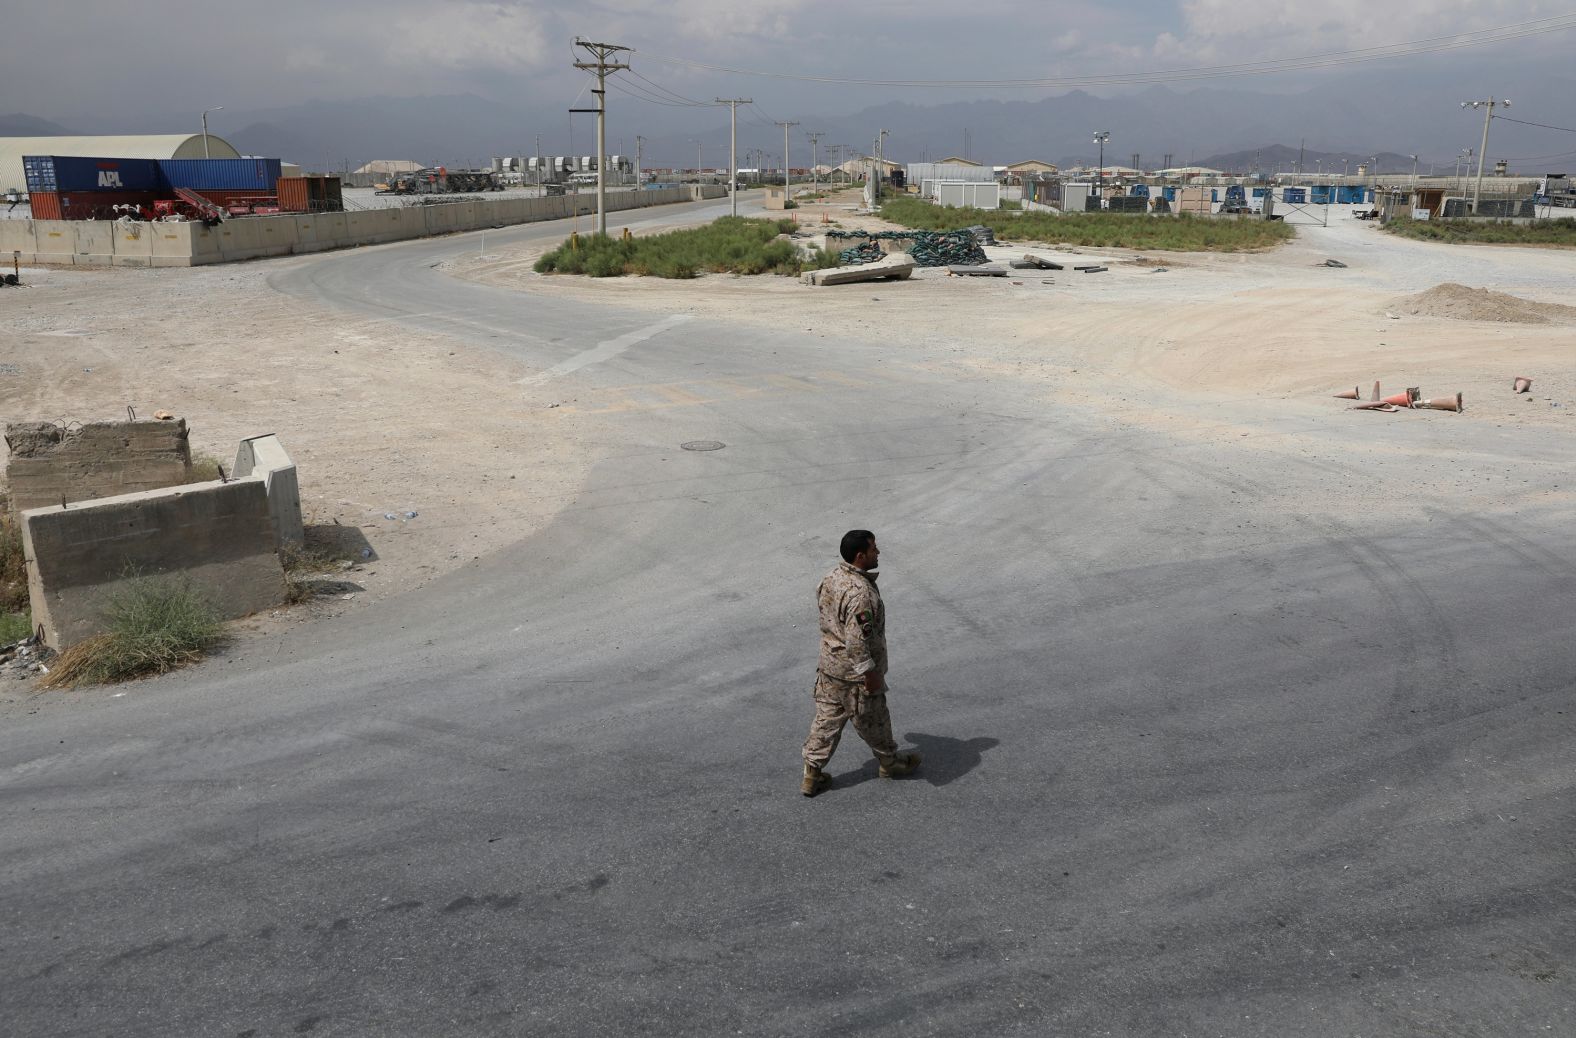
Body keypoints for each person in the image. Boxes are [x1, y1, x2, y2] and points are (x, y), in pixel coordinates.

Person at [801, 530, 921, 797]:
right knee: (875, 719)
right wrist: (870, 673)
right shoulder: (861, 594)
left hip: (829, 668)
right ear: (860, 556)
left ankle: (811, 774)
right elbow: (857, 641)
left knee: (826, 721)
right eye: (873, 549)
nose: (877, 552)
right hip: (855, 675)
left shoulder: (831, 577)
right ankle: (890, 763)